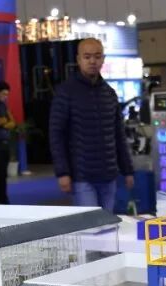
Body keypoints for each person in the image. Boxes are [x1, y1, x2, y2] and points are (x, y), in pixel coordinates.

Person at [49, 38, 134, 212]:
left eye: (97, 56)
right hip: (81, 176)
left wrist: (127, 170)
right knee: (90, 225)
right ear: (78, 59)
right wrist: (62, 172)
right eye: (87, 57)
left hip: (109, 175)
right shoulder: (65, 92)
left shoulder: (109, 93)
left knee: (108, 224)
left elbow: (119, 135)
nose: (92, 61)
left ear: (103, 59)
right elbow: (56, 135)